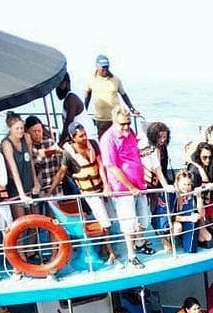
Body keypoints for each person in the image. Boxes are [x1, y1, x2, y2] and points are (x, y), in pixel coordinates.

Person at [50, 123, 117, 265]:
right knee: (105, 222)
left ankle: (104, 249)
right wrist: (50, 191)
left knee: (111, 218)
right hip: (89, 193)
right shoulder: (68, 154)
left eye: (85, 134)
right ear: (73, 138)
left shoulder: (93, 144)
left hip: (101, 188)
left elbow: (100, 165)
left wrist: (106, 186)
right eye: (81, 136)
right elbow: (61, 173)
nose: (85, 138)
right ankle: (111, 253)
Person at [99, 106, 153, 267]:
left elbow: (136, 156)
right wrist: (130, 186)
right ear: (114, 121)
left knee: (145, 218)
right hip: (123, 190)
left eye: (128, 123)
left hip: (139, 185)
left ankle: (139, 243)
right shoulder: (108, 139)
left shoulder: (130, 134)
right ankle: (131, 255)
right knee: (128, 222)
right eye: (123, 124)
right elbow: (112, 167)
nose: (126, 127)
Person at [84, 55, 139, 137]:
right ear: (97, 66)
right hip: (101, 120)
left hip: (116, 119)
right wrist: (84, 111)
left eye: (107, 66)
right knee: (104, 142)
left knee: (119, 141)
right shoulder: (91, 79)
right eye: (103, 67)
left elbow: (124, 95)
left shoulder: (116, 79)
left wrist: (132, 109)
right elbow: (87, 95)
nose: (105, 69)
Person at [1, 114, 40, 219]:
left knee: (34, 222)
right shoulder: (6, 144)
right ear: (10, 128)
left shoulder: (27, 138)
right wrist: (21, 193)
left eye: (22, 128)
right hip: (15, 186)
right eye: (17, 128)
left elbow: (31, 161)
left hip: (29, 182)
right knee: (21, 222)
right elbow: (13, 170)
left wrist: (36, 183)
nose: (20, 131)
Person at [169, 169, 211, 253]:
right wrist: (189, 218)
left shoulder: (192, 194)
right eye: (184, 184)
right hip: (178, 222)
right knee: (178, 228)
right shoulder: (173, 195)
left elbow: (202, 214)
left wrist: (199, 197)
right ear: (177, 183)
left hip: (189, 222)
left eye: (189, 184)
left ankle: (189, 237)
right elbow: (171, 217)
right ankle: (174, 239)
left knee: (207, 238)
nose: (187, 187)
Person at [24, 116, 63, 198]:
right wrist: (39, 158)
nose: (37, 133)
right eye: (34, 131)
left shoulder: (49, 142)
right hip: (40, 190)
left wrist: (60, 153)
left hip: (57, 187)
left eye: (39, 131)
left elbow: (61, 165)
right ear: (27, 132)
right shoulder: (27, 148)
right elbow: (30, 171)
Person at [56, 72, 95, 143]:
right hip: (81, 137)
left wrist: (60, 142)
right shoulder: (68, 98)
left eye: (60, 83)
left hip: (87, 138)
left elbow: (69, 122)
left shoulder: (71, 98)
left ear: (66, 83)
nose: (58, 86)